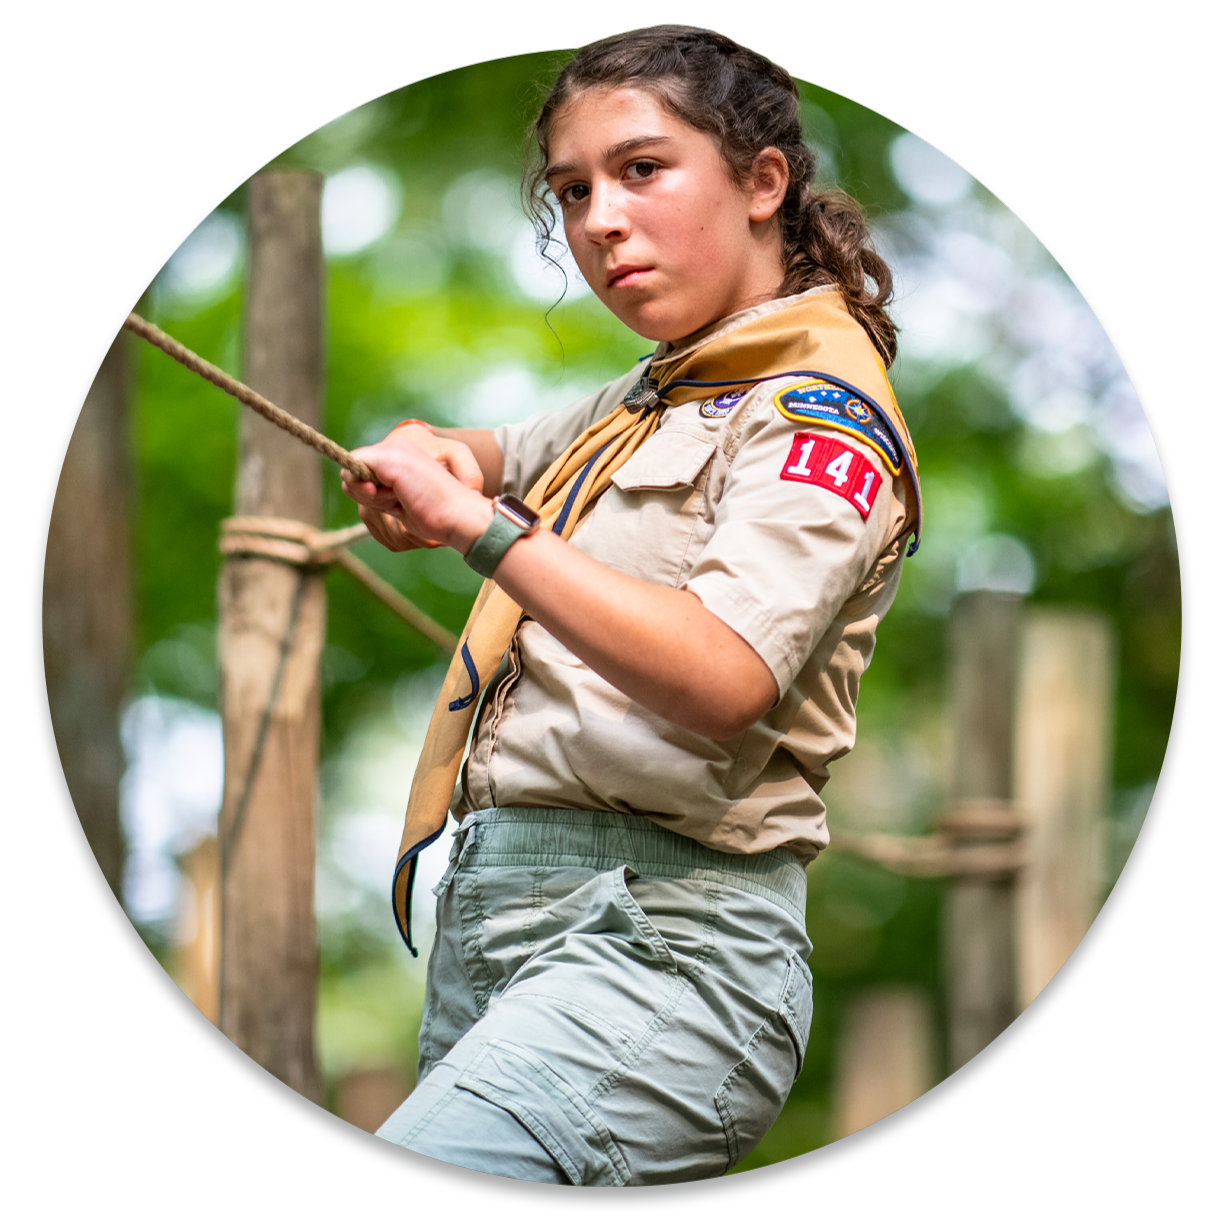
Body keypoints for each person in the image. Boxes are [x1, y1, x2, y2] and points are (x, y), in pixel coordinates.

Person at [341, 26, 922, 1186]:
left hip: (669, 946)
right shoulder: (659, 392)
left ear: (763, 182)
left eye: (641, 169)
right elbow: (492, 449)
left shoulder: (816, 415)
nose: (599, 219)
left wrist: (476, 527)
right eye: (570, 189)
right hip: (501, 928)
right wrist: (430, 456)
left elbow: (723, 676)